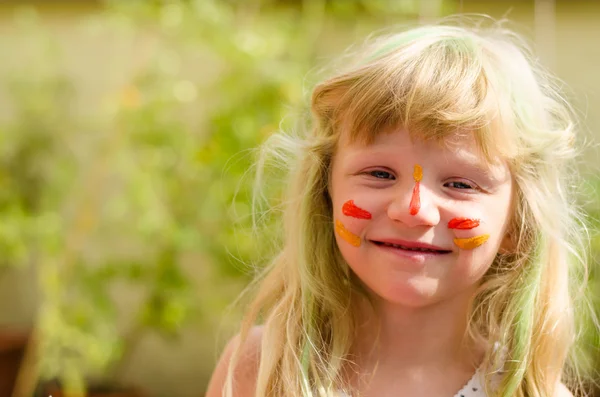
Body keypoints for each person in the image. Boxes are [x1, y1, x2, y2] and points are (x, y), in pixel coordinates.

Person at [206, 15, 592, 397]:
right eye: (380, 174)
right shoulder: (261, 369)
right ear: (326, 195)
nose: (414, 209)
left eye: (460, 183)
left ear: (516, 225)